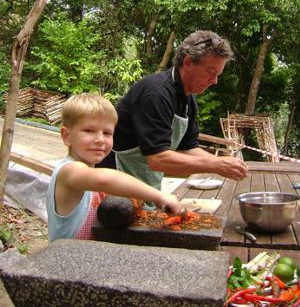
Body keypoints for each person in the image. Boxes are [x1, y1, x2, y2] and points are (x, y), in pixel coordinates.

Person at [98, 30, 248, 199]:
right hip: (112, 185)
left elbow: (188, 149)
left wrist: (228, 164)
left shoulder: (188, 100)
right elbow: (158, 159)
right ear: (188, 62)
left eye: (217, 75)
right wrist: (217, 164)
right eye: (210, 72)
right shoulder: (156, 93)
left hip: (145, 186)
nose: (214, 81)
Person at [46, 93, 181, 242]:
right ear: (67, 136)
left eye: (107, 133)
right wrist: (159, 196)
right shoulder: (69, 171)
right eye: (89, 131)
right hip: (65, 261)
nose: (100, 140)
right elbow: (104, 180)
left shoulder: (89, 173)